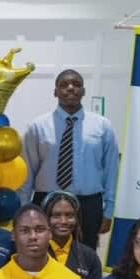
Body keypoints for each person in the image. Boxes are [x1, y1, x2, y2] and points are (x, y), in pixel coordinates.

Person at [19, 69, 119, 249]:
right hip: (46, 202)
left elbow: (111, 171)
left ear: (83, 91)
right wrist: (23, 210)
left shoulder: (102, 126)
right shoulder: (37, 127)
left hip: (88, 205)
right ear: (55, 92)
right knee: (43, 253)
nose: (71, 88)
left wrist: (109, 211)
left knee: (84, 256)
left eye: (76, 84)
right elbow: (27, 172)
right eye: (64, 85)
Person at [42, 191, 102, 279]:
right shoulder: (35, 252)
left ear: (77, 219)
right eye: (56, 215)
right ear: (46, 219)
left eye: (69, 216)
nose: (63, 221)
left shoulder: (89, 256)